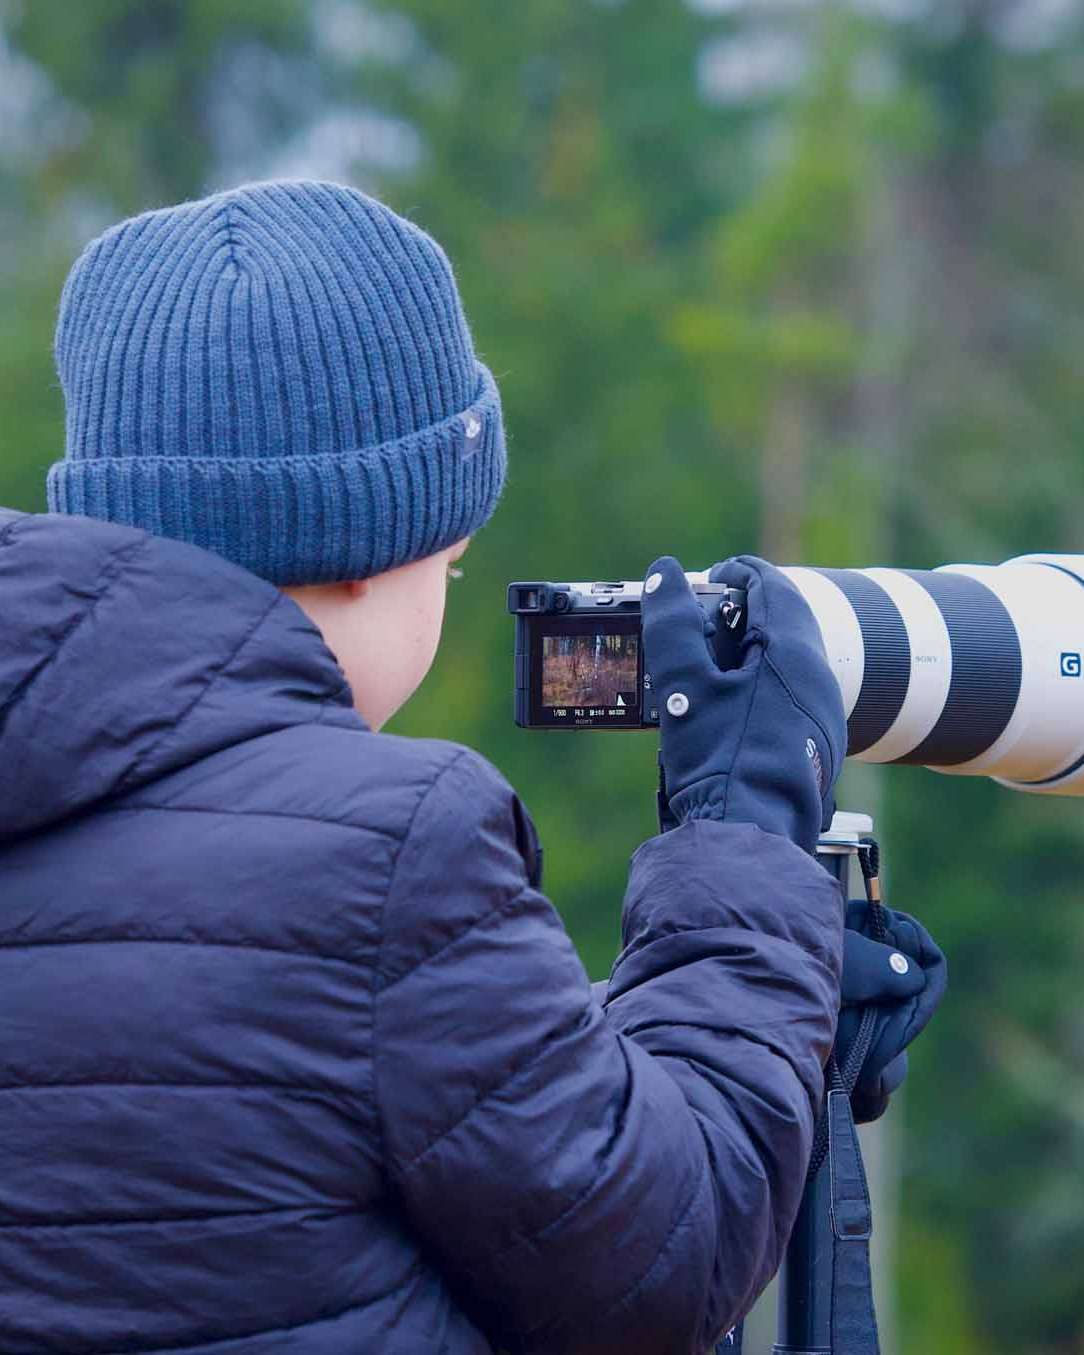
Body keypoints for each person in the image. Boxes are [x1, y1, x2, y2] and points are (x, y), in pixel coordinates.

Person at [2, 180, 861, 1355]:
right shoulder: (392, 851)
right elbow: (667, 1257)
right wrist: (747, 840)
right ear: (368, 545)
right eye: (450, 565)